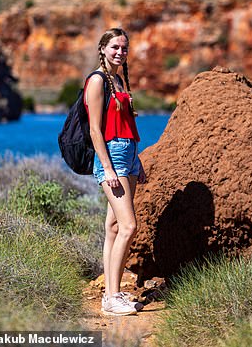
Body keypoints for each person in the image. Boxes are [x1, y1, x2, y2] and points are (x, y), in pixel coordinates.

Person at [84, 27, 146, 316]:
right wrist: (107, 167)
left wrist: (139, 162)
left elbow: (126, 124)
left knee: (112, 228)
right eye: (115, 48)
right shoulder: (96, 81)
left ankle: (113, 292)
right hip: (113, 158)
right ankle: (111, 297)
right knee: (129, 226)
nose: (120, 52)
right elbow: (95, 129)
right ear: (102, 49)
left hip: (129, 154)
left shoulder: (119, 79)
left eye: (124, 48)